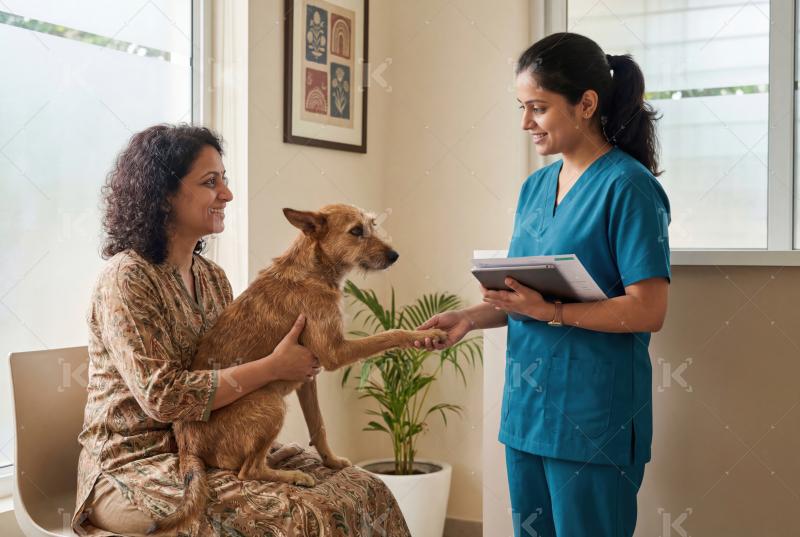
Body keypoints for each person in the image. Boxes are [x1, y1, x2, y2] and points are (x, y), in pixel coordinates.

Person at [71, 124, 410, 536]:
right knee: (302, 517)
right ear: (163, 194)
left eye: (224, 180)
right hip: (129, 466)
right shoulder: (127, 279)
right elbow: (163, 398)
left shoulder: (211, 277)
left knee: (363, 489)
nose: (227, 194)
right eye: (210, 182)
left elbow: (240, 363)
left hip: (207, 443)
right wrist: (274, 367)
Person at [415, 33, 671, 537]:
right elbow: (525, 298)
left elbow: (648, 311)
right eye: (521, 107)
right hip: (529, 413)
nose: (525, 123)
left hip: (595, 418)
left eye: (538, 108)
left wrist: (551, 313)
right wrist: (470, 317)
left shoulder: (630, 187)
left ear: (586, 104)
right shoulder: (534, 188)